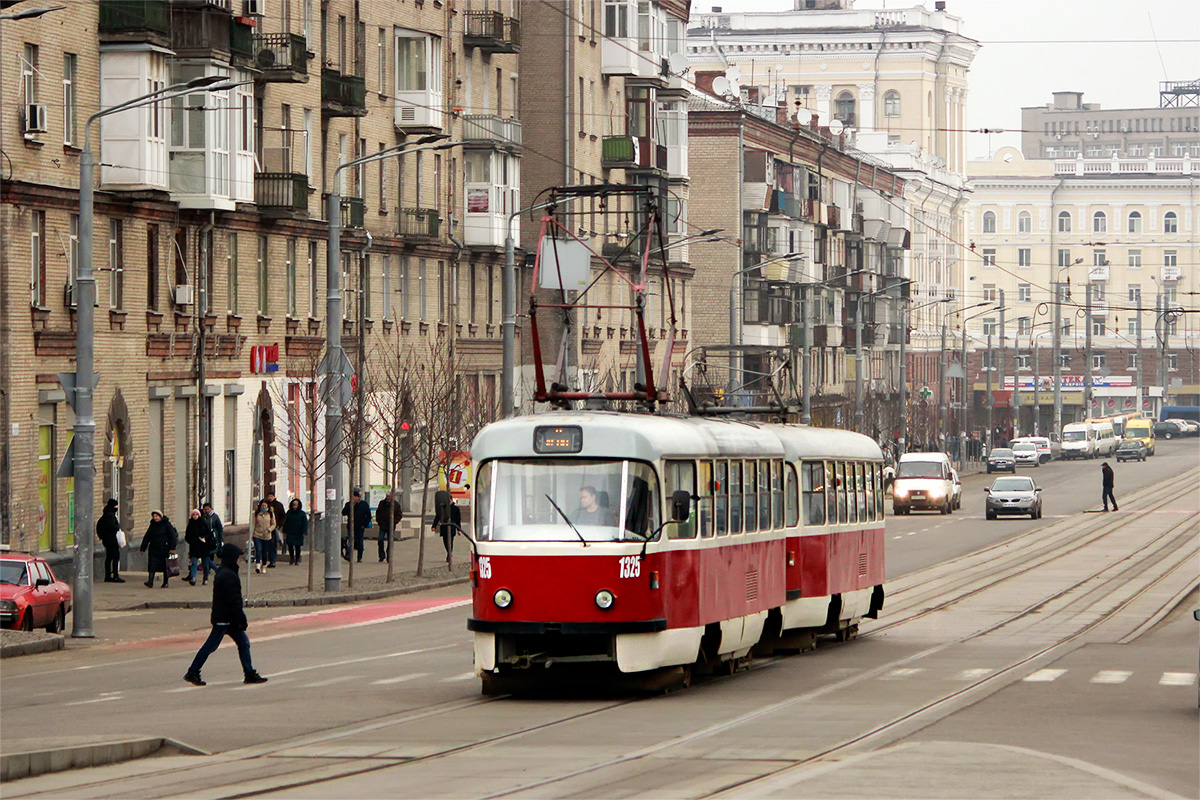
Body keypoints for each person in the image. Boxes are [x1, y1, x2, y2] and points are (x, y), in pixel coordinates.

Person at [183, 543, 268, 687]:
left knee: (243, 642)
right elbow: (233, 600)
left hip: (227, 618)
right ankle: (193, 671)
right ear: (231, 558)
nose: (238, 560)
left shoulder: (225, 572)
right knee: (211, 646)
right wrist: (241, 618)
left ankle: (249, 673)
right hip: (225, 618)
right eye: (236, 558)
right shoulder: (227, 575)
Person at [139, 510, 177, 588]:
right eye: (154, 517)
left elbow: (172, 536)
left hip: (165, 549)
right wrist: (143, 548)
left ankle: (165, 582)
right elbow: (147, 537)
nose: (155, 518)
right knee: (152, 565)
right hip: (154, 548)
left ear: (160, 516)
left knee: (165, 566)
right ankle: (150, 581)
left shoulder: (167, 525)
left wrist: (172, 548)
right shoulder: (152, 525)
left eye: (157, 516)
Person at [184, 508, 216, 586]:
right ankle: (193, 578)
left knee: (205, 564)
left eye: (196, 515)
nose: (195, 516)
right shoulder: (190, 524)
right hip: (194, 547)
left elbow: (209, 533)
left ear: (199, 515)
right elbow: (187, 536)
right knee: (194, 563)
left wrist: (205, 538)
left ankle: (205, 578)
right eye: (193, 515)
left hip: (204, 546)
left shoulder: (203, 523)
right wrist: (191, 541)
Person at [96, 498, 125, 583]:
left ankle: (108, 575)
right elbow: (112, 526)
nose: (117, 507)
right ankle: (115, 575)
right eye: (116, 505)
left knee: (109, 557)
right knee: (115, 556)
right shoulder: (110, 515)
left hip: (106, 539)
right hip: (111, 539)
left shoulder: (106, 514)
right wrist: (118, 527)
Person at [432, 493, 462, 570]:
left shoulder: (455, 509)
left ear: (451, 500)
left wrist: (459, 529)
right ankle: (449, 552)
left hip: (452, 527)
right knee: (445, 541)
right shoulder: (442, 508)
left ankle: (449, 555)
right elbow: (438, 516)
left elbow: (458, 520)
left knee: (450, 541)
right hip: (444, 527)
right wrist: (434, 526)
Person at [342, 488, 370, 562]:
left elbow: (368, 515)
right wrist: (350, 506)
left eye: (356, 497)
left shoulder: (364, 504)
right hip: (351, 526)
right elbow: (343, 512)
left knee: (359, 541)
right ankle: (348, 555)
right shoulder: (349, 504)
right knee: (350, 540)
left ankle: (359, 557)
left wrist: (365, 524)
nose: (355, 498)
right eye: (353, 497)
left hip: (360, 526)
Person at [262, 492, 285, 568]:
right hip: (263, 528)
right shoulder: (264, 504)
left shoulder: (278, 505)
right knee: (264, 545)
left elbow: (283, 516)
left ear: (274, 497)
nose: (270, 498)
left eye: (271, 496)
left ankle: (272, 560)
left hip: (274, 528)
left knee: (272, 544)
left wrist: (279, 525)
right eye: (269, 496)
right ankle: (264, 560)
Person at [375, 491, 399, 562]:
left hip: (391, 526)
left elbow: (399, 514)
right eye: (387, 496)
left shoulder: (396, 505)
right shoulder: (382, 503)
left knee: (390, 542)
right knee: (380, 540)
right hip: (382, 525)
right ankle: (381, 555)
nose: (388, 497)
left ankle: (389, 556)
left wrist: (394, 521)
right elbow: (378, 512)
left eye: (389, 496)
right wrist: (379, 521)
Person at [283, 498, 308, 565]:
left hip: (298, 532)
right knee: (290, 546)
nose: (295, 506)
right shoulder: (289, 513)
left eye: (296, 504)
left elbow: (305, 523)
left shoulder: (302, 513)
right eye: (294, 504)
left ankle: (297, 559)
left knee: (297, 546)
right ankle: (291, 559)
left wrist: (304, 531)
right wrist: (284, 531)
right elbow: (285, 522)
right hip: (290, 531)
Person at [252, 501, 274, 574]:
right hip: (257, 534)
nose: (264, 507)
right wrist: (252, 534)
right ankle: (258, 564)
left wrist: (270, 529)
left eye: (265, 505)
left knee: (265, 552)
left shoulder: (270, 514)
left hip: (267, 535)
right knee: (258, 550)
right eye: (262, 505)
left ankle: (264, 565)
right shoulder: (256, 514)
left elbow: (274, 524)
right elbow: (253, 524)